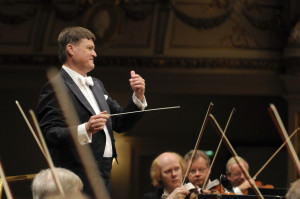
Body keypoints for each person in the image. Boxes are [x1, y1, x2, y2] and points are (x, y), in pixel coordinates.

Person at [36, 26, 147, 198]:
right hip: (76, 176)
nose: (95, 54)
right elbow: (48, 133)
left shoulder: (97, 84)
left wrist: (138, 96)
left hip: (104, 174)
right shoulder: (55, 86)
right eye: (90, 48)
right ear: (70, 49)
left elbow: (120, 122)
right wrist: (85, 128)